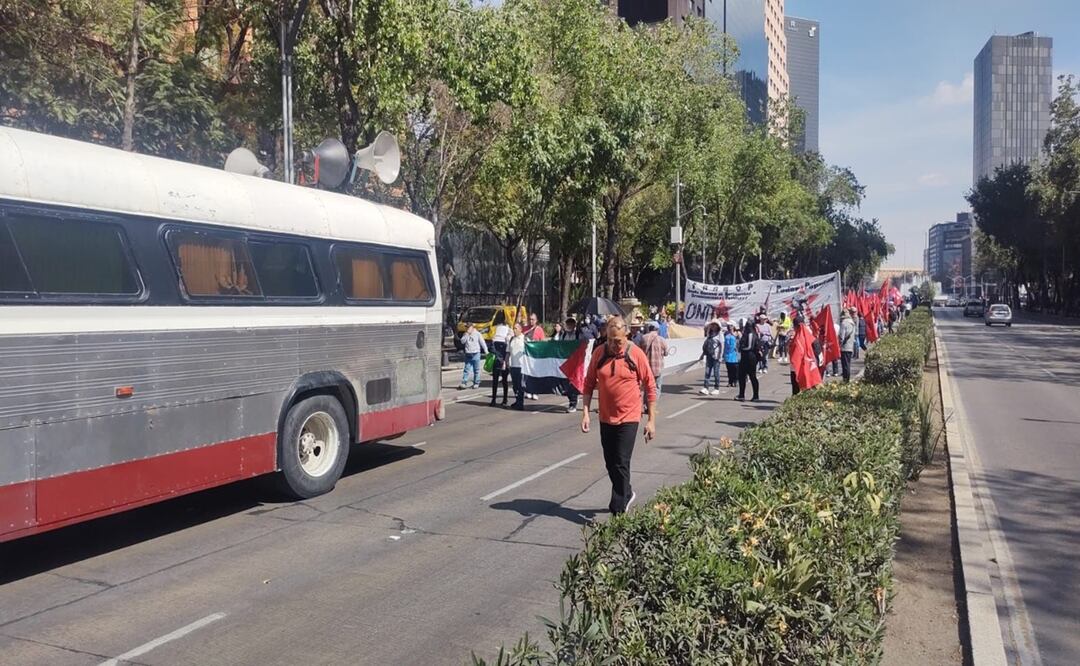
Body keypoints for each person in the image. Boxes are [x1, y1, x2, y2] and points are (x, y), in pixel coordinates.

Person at [580, 316, 658, 515]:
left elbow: (650, 386)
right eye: (611, 340)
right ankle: (628, 492)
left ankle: (618, 508)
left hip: (630, 417)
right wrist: (586, 413)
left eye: (619, 341)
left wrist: (651, 421)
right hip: (606, 417)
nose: (615, 345)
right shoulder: (600, 353)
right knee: (610, 462)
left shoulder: (636, 354)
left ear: (627, 336)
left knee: (621, 462)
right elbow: (588, 384)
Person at [640, 320, 669, 402]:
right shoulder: (662, 340)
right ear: (657, 329)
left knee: (646, 387)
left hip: (646, 368)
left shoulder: (643, 338)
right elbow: (666, 353)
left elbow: (639, 351)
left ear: (649, 328)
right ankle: (652, 405)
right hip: (658, 368)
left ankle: (646, 405)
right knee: (657, 387)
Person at [562, 317, 586, 412]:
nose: (569, 326)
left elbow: (583, 344)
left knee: (573, 383)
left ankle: (573, 403)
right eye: (568, 324)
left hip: (575, 362)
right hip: (566, 362)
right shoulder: (563, 335)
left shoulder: (578, 335)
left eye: (571, 324)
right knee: (566, 384)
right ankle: (572, 398)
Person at [489, 313, 511, 406]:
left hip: (497, 359)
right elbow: (509, 348)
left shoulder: (495, 330)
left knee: (495, 380)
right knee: (504, 380)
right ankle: (504, 400)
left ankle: (494, 400)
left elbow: (492, 346)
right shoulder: (509, 331)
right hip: (504, 359)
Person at [736, 320, 760, 402]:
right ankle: (742, 395)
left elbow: (749, 347)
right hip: (747, 357)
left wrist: (741, 348)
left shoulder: (751, 334)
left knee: (751, 376)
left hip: (749, 357)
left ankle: (755, 396)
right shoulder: (749, 334)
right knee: (742, 376)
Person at [458, 324, 487, 389]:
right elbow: (462, 341)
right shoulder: (465, 334)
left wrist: (486, 351)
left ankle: (476, 382)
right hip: (468, 353)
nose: (467, 329)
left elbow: (482, 342)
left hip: (476, 353)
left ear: (472, 327)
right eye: (466, 328)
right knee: (466, 369)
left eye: (468, 327)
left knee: (476, 369)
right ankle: (464, 382)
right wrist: (467, 334)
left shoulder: (477, 334)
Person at [699, 323, 722, 395]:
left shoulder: (720, 336)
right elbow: (706, 346)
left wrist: (720, 356)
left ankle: (716, 388)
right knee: (707, 372)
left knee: (716, 372)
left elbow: (722, 346)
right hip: (709, 356)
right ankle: (706, 387)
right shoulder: (709, 336)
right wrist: (702, 355)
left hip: (716, 357)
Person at [508, 323, 526, 410]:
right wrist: (506, 361)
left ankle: (520, 402)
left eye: (516, 328)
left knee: (520, 385)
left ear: (520, 329)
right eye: (513, 328)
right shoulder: (512, 339)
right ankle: (517, 400)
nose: (514, 330)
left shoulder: (524, 339)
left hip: (521, 366)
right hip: (513, 365)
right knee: (515, 386)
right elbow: (508, 351)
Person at [839, 308, 856, 383]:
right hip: (850, 346)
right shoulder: (852, 322)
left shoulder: (844, 323)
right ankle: (847, 379)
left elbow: (842, 337)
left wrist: (839, 345)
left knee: (845, 365)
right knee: (848, 364)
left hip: (844, 347)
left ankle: (845, 380)